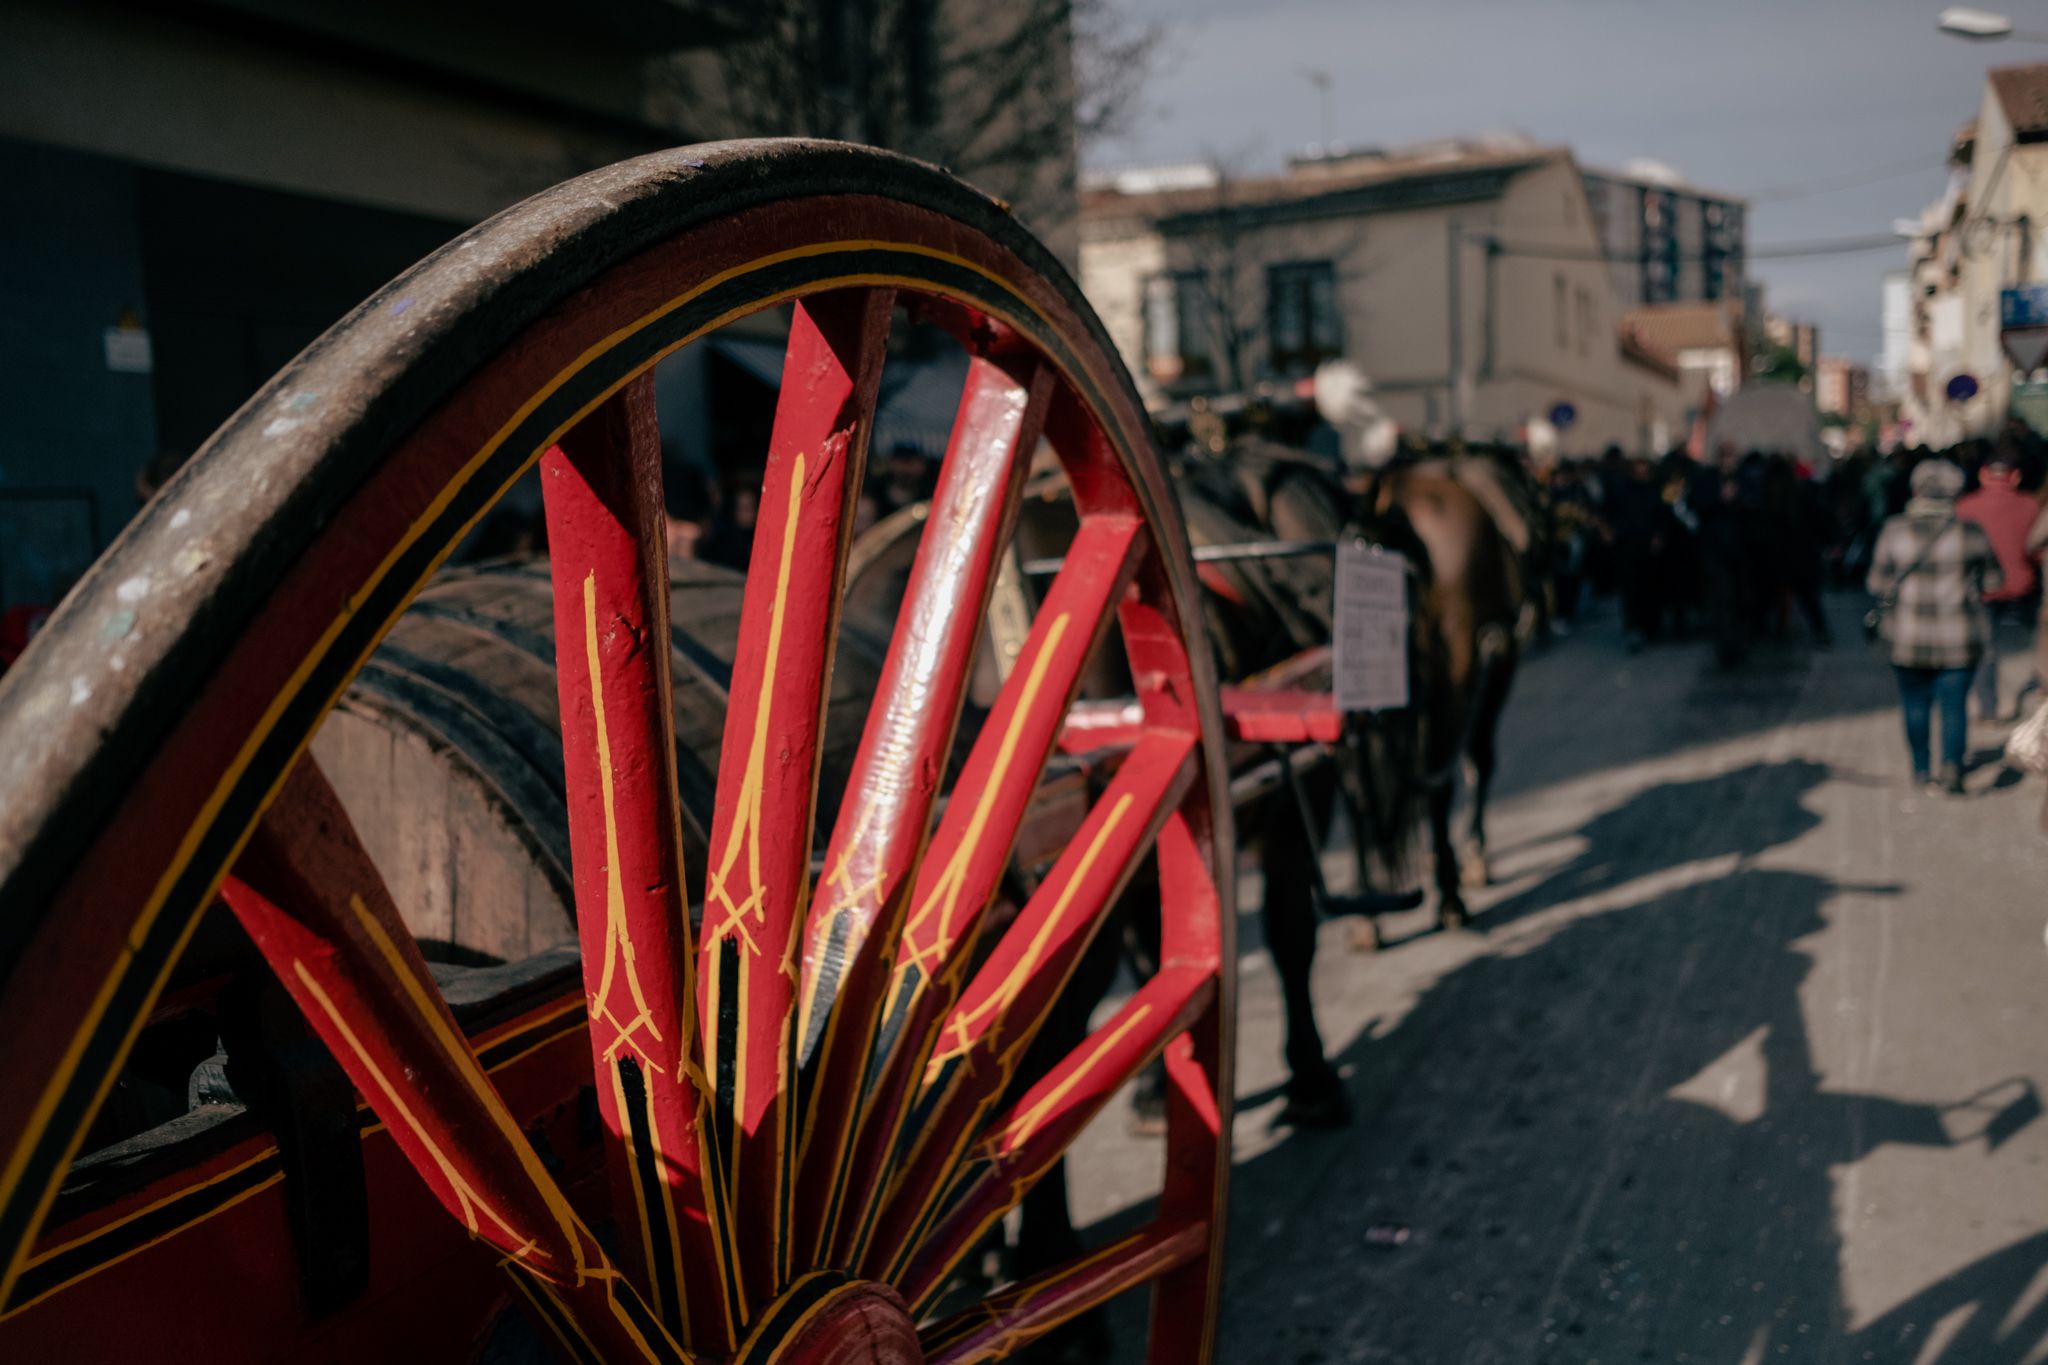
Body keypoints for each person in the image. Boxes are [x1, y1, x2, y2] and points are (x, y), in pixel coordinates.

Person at [1867, 459, 2004, 795]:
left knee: (1915, 704)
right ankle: (1952, 767)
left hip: (1907, 637)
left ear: (1916, 491)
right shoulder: (1970, 532)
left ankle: (1920, 768)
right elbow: (1994, 580)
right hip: (1959, 637)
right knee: (1954, 705)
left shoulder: (1894, 530)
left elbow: (1875, 584)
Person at [1956, 456, 2040, 719]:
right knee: (2038, 642)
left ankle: (1989, 708)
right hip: (2024, 586)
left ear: (1983, 474)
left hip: (1984, 589)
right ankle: (2040, 695)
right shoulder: (2031, 505)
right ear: (2015, 476)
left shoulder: (1965, 506)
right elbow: (2037, 548)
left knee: (1987, 650)